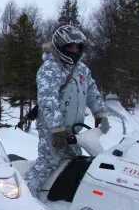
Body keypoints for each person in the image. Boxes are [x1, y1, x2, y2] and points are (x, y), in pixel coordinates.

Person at [24, 25, 109, 195]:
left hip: (74, 129)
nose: (74, 50)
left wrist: (99, 112)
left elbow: (91, 90)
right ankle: (23, 196)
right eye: (70, 46)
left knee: (73, 162)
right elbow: (48, 100)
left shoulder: (82, 69)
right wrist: (56, 129)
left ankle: (59, 198)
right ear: (61, 47)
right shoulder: (50, 68)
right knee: (48, 162)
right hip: (52, 128)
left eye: (77, 47)